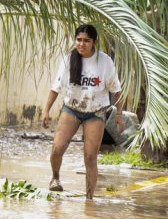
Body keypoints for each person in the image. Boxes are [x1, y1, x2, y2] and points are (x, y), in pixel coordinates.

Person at [42, 24, 124, 199]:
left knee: (89, 156)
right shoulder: (68, 59)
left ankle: (89, 199)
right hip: (71, 109)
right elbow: (55, 88)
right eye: (78, 40)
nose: (81, 44)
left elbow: (116, 90)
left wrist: (119, 115)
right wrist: (46, 110)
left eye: (86, 40)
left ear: (94, 42)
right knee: (57, 148)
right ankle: (55, 178)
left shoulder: (105, 62)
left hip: (95, 113)